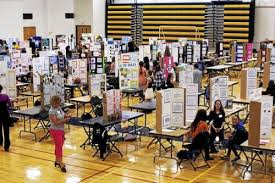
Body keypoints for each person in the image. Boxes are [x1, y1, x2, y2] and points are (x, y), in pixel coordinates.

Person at [49, 96, 71, 172]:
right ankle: (61, 163)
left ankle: (57, 161)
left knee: (59, 145)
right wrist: (64, 121)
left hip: (61, 130)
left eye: (59, 103)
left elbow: (63, 114)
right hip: (55, 130)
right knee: (59, 147)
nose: (59, 104)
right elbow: (55, 122)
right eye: (57, 103)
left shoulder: (58, 108)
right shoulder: (52, 111)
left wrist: (67, 116)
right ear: (54, 102)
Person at [0, 85, 11, 151]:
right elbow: (10, 105)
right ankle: (7, 146)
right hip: (5, 114)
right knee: (6, 130)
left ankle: (0, 141)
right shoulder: (5, 96)